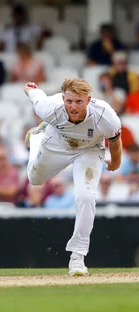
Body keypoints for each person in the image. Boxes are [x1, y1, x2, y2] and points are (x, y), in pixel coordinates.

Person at [24, 78, 122, 277]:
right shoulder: (50, 108)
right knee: (35, 180)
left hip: (90, 150)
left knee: (86, 197)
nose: (73, 106)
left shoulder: (105, 115)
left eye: (78, 101)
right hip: (56, 144)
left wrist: (116, 163)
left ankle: (77, 257)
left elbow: (116, 142)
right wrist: (30, 89)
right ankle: (36, 138)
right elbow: (36, 96)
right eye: (69, 101)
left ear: (88, 100)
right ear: (63, 99)